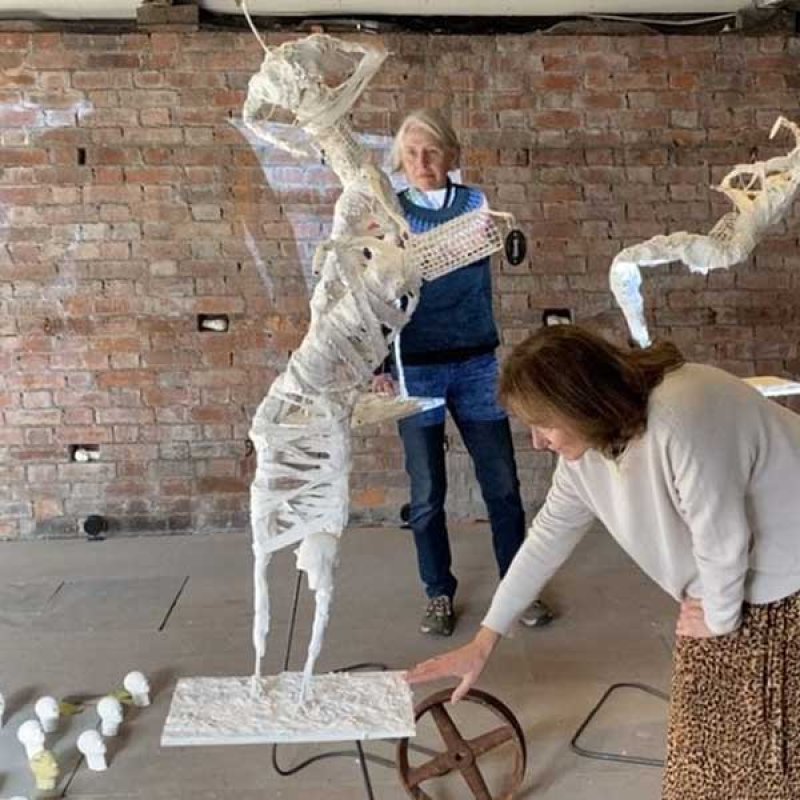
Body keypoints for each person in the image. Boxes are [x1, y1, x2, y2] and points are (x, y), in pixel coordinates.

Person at [407, 324, 800, 799]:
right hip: (728, 583)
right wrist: (486, 637)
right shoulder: (586, 453)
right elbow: (547, 536)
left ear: (583, 402)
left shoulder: (684, 412)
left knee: (770, 753)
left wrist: (718, 620)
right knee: (702, 751)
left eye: (544, 424)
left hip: (786, 578)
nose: (537, 442)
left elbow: (723, 538)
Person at [373, 108, 553, 637]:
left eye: (432, 152)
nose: (422, 163)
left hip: (475, 360)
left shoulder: (474, 203)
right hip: (418, 367)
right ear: (400, 160)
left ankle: (518, 590)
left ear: (451, 155)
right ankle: (438, 593)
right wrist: (381, 363)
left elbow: (455, 258)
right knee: (427, 491)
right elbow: (379, 293)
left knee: (502, 483)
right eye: (411, 154)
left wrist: (417, 254)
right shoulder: (389, 212)